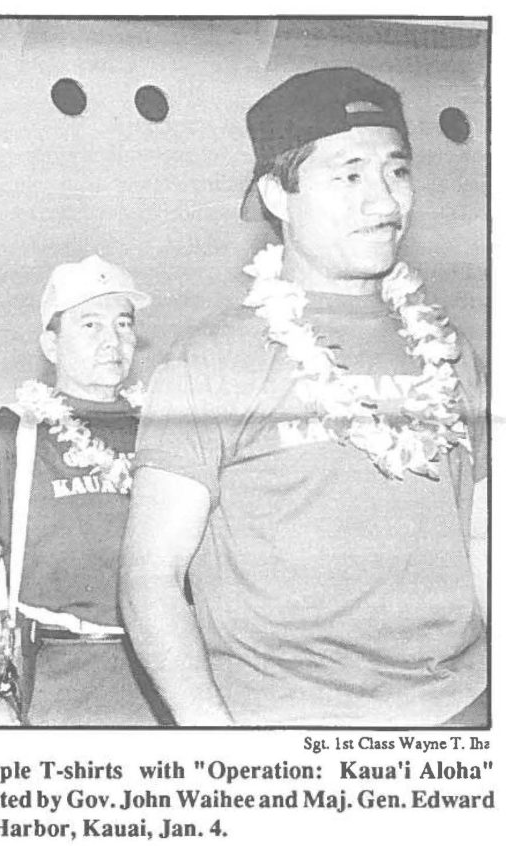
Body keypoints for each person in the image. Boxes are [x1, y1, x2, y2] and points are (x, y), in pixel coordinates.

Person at [122, 67, 487, 727]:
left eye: (396, 172)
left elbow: (489, 536)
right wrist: (216, 744)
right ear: (278, 194)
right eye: (348, 176)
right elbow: (150, 580)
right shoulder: (207, 365)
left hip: (461, 712)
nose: (383, 203)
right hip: (282, 730)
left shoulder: (452, 350)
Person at [0, 255, 171, 726]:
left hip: (168, 671)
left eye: (123, 324)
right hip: (61, 673)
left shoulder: (165, 427)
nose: (111, 340)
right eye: (90, 325)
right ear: (51, 344)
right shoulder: (11, 433)